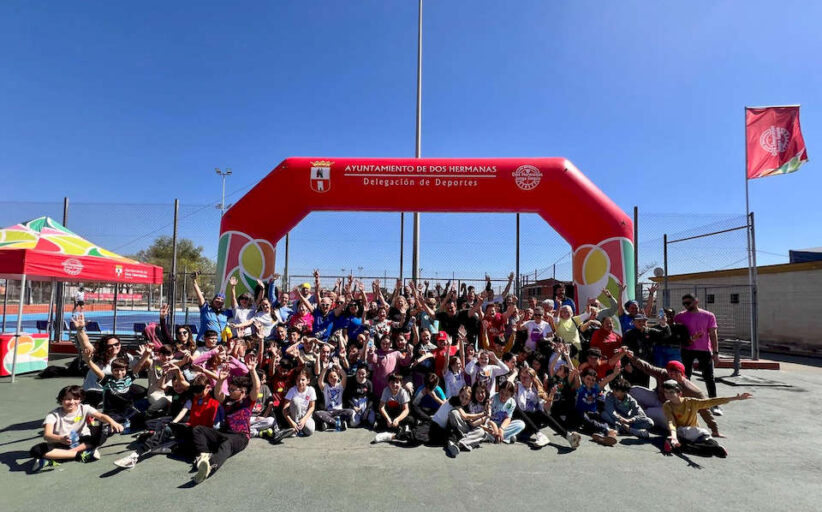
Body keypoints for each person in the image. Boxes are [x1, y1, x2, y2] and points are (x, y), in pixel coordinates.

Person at [190, 354, 261, 483]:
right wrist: (221, 380)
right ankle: (204, 456)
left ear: (243, 392)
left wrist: (252, 370)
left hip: (241, 436)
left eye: (233, 389)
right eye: (229, 388)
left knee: (226, 444)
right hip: (224, 432)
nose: (230, 391)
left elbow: (256, 388)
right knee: (198, 430)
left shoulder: (247, 402)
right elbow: (218, 394)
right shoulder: (227, 401)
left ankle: (210, 467)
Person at [30, 385, 123, 472]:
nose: (71, 402)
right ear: (61, 399)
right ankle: (80, 455)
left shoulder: (85, 408)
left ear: (80, 399)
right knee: (35, 450)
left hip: (82, 440)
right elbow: (47, 435)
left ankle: (55, 458)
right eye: (67, 399)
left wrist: (113, 422)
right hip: (62, 443)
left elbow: (101, 416)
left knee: (103, 431)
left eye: (75, 399)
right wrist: (61, 439)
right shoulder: (53, 415)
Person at [662, 380, 752, 457]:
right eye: (666, 392)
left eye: (671, 392)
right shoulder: (667, 405)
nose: (668, 395)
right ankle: (675, 442)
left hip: (694, 432)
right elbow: (671, 422)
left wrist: (736, 398)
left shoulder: (691, 402)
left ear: (679, 393)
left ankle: (715, 448)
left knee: (704, 443)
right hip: (679, 432)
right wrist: (674, 437)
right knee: (701, 437)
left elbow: (711, 402)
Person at [675, 293, 722, 414]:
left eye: (688, 303)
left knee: (709, 377)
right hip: (686, 350)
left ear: (696, 302)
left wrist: (715, 353)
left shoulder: (708, 315)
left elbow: (713, 334)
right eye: (684, 303)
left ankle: (714, 404)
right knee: (685, 377)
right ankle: (685, 402)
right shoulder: (680, 316)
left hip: (704, 350)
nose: (686, 305)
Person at [314, 363, 355, 431]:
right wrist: (324, 369)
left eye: (335, 376)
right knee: (317, 413)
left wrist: (338, 365)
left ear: (338, 377)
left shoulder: (340, 386)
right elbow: (320, 381)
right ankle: (337, 423)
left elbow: (344, 376)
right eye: (331, 377)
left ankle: (329, 424)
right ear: (328, 379)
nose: (333, 378)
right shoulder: (325, 387)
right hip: (329, 412)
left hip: (339, 411)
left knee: (351, 412)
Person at [192, 271, 229, 342]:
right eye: (218, 298)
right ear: (213, 300)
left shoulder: (226, 312)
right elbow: (200, 297)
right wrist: (194, 282)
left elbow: (236, 308)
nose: (219, 300)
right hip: (203, 342)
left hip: (219, 343)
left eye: (222, 300)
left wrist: (233, 287)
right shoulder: (205, 309)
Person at [281, 369, 317, 437]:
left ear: (308, 381)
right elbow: (284, 410)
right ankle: (294, 428)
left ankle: (299, 428)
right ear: (296, 381)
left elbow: (312, 407)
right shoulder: (292, 390)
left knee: (310, 431)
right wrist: (292, 423)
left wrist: (303, 420)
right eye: (298, 380)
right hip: (294, 416)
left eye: (303, 380)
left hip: (305, 416)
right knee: (295, 401)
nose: (300, 382)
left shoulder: (311, 390)